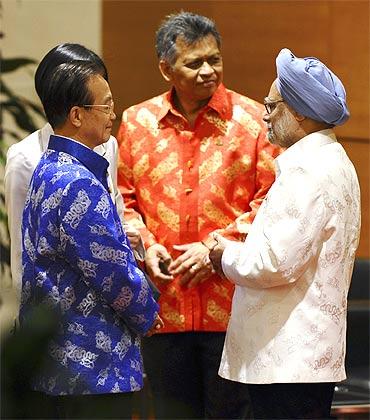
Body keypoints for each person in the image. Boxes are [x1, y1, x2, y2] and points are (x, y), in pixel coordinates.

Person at [117, 11, 281, 419]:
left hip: (231, 308)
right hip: (163, 306)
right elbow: (123, 202)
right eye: (194, 63)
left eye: (215, 59)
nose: (209, 71)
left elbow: (271, 201)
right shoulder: (136, 124)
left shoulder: (253, 122)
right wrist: (147, 246)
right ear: (165, 68)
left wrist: (214, 247)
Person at [209, 48, 361, 419]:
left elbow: (274, 263)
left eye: (272, 105)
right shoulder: (334, 161)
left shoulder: (307, 171)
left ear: (302, 112)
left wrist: (222, 254)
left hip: (287, 361)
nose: (265, 115)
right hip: (301, 359)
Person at [20, 59, 163, 419]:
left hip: (59, 361)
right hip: (93, 367)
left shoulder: (48, 167)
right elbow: (111, 272)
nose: (113, 114)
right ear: (77, 115)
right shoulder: (78, 182)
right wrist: (148, 310)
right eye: (106, 105)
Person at [4, 43, 143, 328]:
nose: (110, 114)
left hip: (106, 302)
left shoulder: (108, 144)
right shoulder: (25, 157)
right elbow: (22, 250)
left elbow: (114, 210)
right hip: (57, 312)